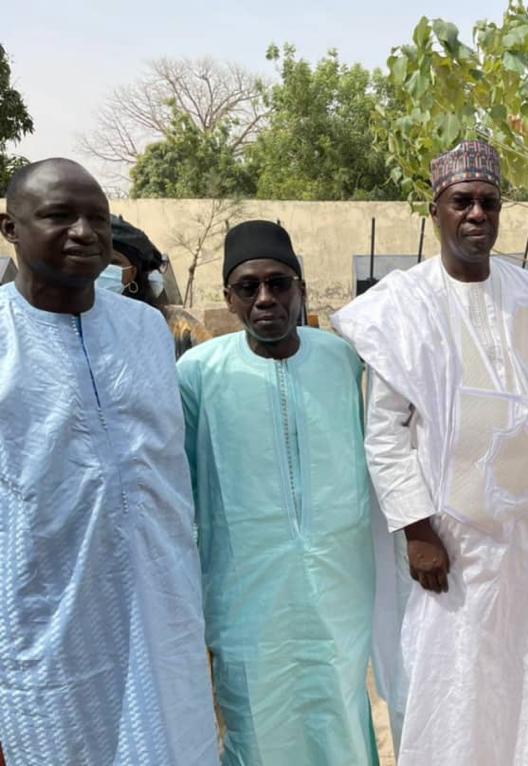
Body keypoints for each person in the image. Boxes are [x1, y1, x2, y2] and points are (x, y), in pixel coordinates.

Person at [332, 139, 528, 766]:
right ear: (435, 210)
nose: (477, 215)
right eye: (462, 202)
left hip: (526, 541)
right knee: (452, 683)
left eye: (488, 203)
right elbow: (386, 430)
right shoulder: (402, 307)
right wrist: (418, 530)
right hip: (451, 544)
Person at [0, 158, 218, 765]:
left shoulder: (147, 330)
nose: (84, 232)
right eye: (59, 215)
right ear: (10, 228)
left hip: (164, 608)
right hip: (44, 624)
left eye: (97, 218)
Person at [177, 220, 378, 766]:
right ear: (229, 298)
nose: (266, 298)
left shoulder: (344, 361)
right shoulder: (197, 372)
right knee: (254, 715)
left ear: (301, 289)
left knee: (338, 701)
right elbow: (182, 483)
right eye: (249, 287)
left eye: (279, 283)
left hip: (338, 580)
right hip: (243, 586)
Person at [97, 215, 211, 358]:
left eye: (113, 262)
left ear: (132, 273)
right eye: (95, 259)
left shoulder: (177, 326)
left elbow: (211, 369)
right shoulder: (73, 325)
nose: (101, 269)